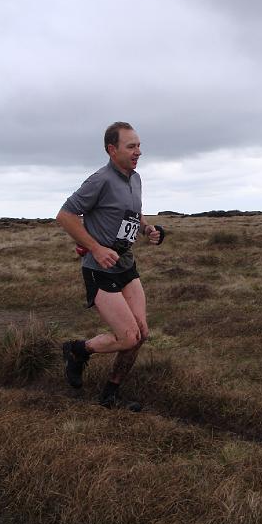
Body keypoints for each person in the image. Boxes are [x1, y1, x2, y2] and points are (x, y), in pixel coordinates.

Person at [56, 121, 164, 411]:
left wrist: (147, 229)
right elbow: (65, 215)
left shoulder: (135, 179)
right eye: (131, 146)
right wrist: (96, 247)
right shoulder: (100, 180)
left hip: (125, 264)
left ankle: (110, 394)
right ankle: (77, 350)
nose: (138, 151)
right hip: (99, 267)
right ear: (112, 149)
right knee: (128, 337)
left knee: (140, 334)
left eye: (139, 145)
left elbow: (133, 215)